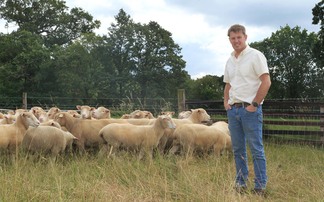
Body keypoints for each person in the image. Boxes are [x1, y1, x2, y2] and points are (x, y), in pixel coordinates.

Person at [223, 24, 271, 195]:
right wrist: (226, 103)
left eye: (239, 37)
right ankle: (241, 184)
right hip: (233, 110)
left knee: (256, 148)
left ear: (245, 37)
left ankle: (259, 186)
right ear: (229, 39)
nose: (236, 41)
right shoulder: (230, 60)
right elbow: (228, 83)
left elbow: (266, 81)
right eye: (233, 38)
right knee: (238, 150)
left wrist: (255, 105)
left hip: (249, 110)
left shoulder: (255, 56)